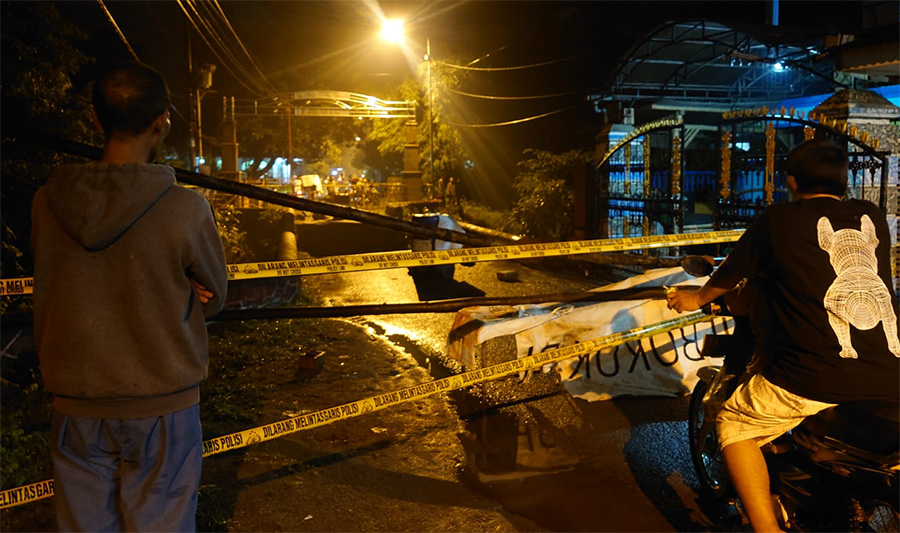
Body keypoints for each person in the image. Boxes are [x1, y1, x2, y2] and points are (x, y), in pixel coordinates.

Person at [31, 62, 228, 531]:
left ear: (97, 122)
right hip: (163, 401)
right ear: (161, 122)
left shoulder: (46, 203)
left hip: (76, 400)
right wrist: (189, 290)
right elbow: (215, 294)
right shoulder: (185, 208)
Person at [667, 138, 899, 532]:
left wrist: (696, 298)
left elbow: (730, 274)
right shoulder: (871, 216)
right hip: (890, 375)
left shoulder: (778, 220)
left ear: (790, 180)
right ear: (846, 181)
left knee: (735, 423)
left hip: (815, 379)